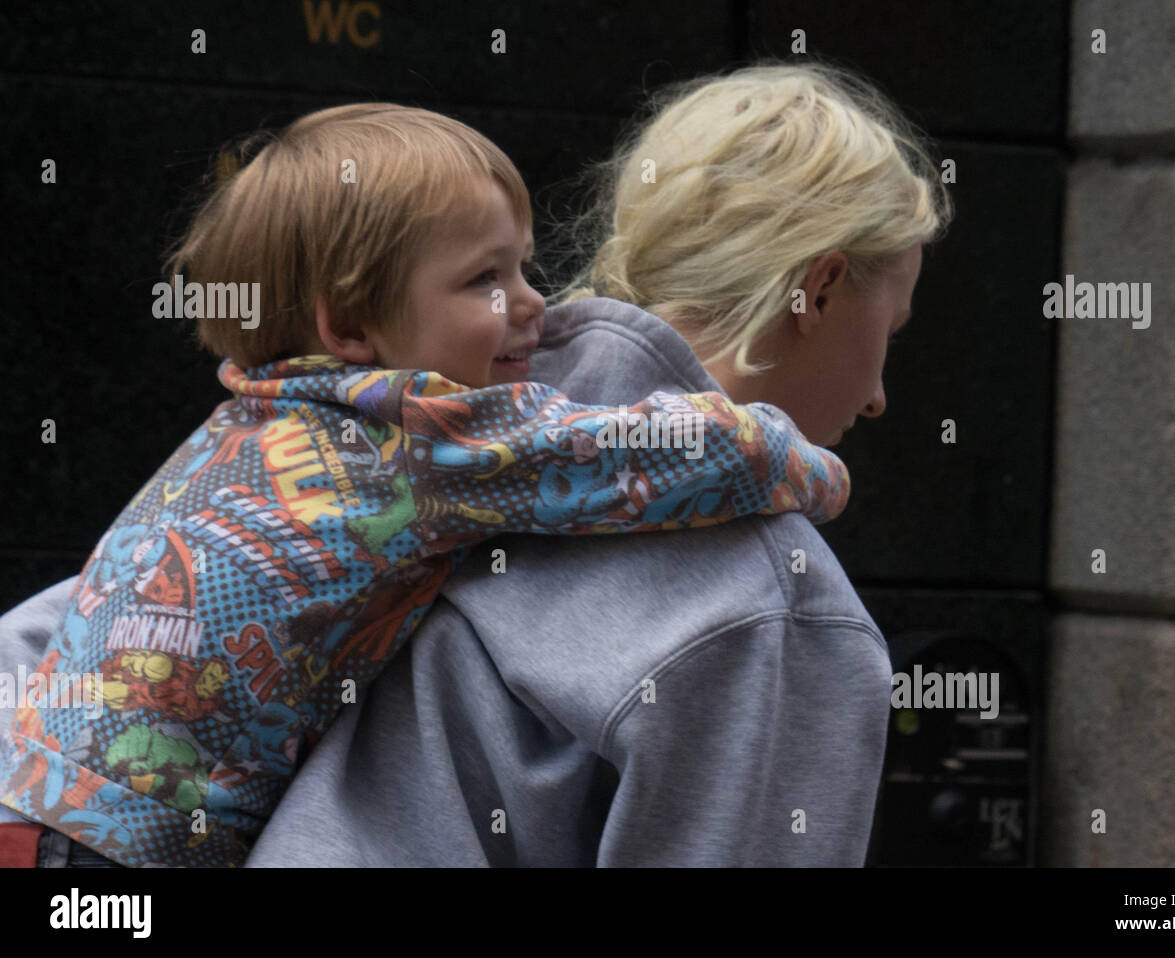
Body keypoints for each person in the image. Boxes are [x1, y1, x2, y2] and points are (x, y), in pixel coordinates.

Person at [0, 102, 857, 868]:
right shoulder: (415, 438)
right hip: (116, 849)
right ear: (349, 327)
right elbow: (646, 456)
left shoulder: (250, 421)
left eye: (524, 267)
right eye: (485, 279)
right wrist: (803, 466)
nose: (534, 304)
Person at [239, 59, 952, 866]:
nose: (877, 397)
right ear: (818, 290)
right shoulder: (772, 607)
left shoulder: (407, 453)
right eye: (888, 331)